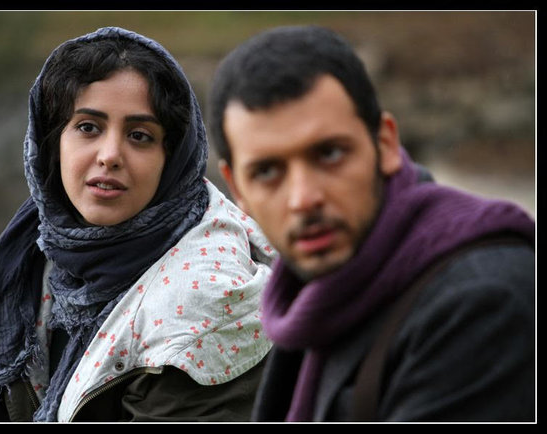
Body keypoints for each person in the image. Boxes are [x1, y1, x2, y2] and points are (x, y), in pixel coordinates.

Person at [208, 25, 535, 422]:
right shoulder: (309, 297)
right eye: (267, 172)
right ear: (237, 189)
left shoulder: (482, 303)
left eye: (329, 154)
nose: (303, 198)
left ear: (385, 145)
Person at [0, 26, 276, 422]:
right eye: (88, 127)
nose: (109, 155)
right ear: (52, 143)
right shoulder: (43, 247)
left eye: (139, 135)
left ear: (173, 158)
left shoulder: (205, 306)